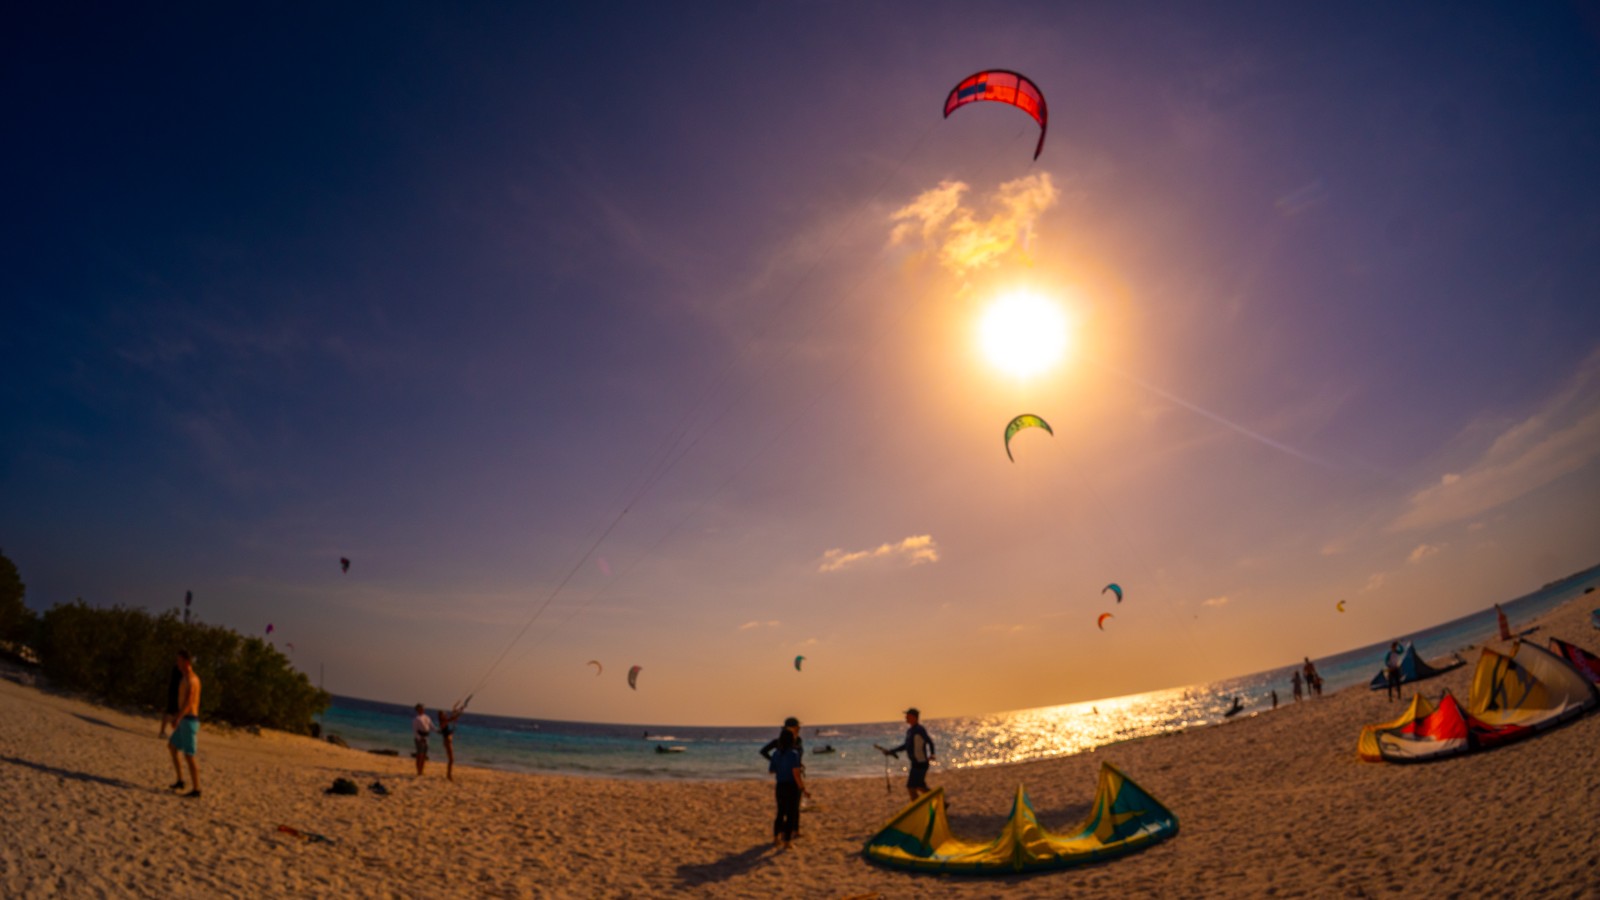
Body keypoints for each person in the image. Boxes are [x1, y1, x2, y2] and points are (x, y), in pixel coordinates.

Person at [875, 708, 935, 800]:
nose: (905, 717)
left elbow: (929, 742)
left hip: (921, 763)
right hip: (914, 763)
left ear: (914, 717)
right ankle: (941, 803)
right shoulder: (910, 731)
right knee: (920, 786)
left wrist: (932, 754)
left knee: (911, 787)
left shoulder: (919, 729)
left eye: (908, 716)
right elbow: (905, 746)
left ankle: (916, 807)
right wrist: (892, 751)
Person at [165, 649, 202, 798]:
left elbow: (189, 703)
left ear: (186, 662)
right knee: (172, 746)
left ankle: (196, 789)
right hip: (184, 720)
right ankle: (180, 780)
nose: (177, 664)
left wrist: (177, 718)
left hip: (189, 720)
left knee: (189, 756)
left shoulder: (191, 679)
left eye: (179, 661)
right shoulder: (185, 677)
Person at [768, 729, 808, 850]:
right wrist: (802, 788)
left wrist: (781, 768)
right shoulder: (794, 753)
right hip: (791, 786)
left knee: (780, 812)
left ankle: (776, 837)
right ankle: (787, 841)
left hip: (780, 786)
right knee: (791, 813)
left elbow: (771, 771)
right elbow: (796, 773)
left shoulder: (776, 753)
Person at [438, 703, 466, 782]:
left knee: (451, 759)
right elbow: (453, 718)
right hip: (447, 741)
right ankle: (449, 775)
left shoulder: (444, 721)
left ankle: (449, 774)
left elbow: (452, 718)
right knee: (451, 759)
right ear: (441, 716)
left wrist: (457, 711)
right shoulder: (443, 722)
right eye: (444, 714)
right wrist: (460, 712)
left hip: (448, 741)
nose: (445, 714)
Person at [158, 663, 182, 739]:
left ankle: (163, 731)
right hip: (177, 693)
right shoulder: (181, 670)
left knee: (170, 712)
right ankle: (165, 732)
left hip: (172, 692)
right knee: (174, 713)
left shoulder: (175, 668)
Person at [412, 704, 435, 777]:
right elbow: (415, 731)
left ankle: (422, 771)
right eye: (420, 709)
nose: (422, 710)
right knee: (420, 755)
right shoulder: (416, 719)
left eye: (422, 708)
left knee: (424, 756)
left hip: (426, 738)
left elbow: (432, 726)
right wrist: (420, 738)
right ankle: (418, 771)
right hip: (420, 738)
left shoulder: (427, 717)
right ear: (417, 710)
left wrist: (439, 731)